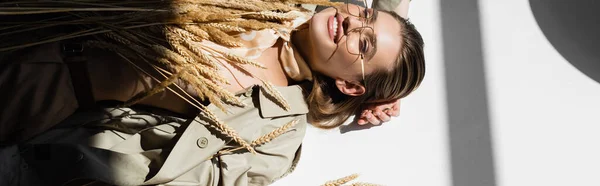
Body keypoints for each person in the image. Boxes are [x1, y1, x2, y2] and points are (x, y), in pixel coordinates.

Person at [0, 0, 424, 185]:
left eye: (365, 44)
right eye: (363, 14)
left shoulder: (273, 135)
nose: (353, 24)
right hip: (35, 16)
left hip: (34, 93)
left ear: (351, 85)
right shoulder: (282, 6)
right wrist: (388, 17)